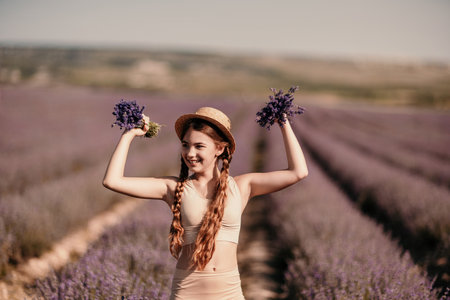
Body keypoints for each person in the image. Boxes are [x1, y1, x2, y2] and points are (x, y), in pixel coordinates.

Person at [102, 106, 308, 299]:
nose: (190, 154)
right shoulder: (174, 189)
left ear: (219, 148)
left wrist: (283, 123)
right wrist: (129, 135)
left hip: (230, 292)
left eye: (199, 146)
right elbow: (112, 181)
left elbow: (298, 172)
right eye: (185, 145)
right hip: (187, 292)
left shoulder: (242, 186)